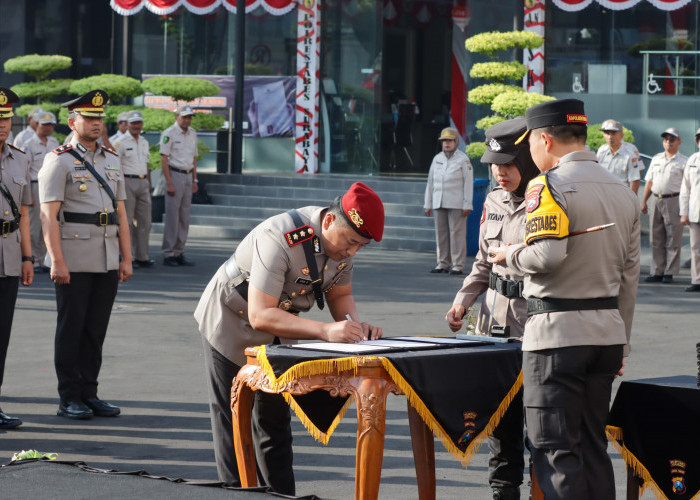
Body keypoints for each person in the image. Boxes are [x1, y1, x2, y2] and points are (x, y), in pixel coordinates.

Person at [489, 99, 640, 499]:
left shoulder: (547, 185)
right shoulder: (622, 190)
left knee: (556, 452)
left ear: (543, 139)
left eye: (531, 146)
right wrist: (621, 338)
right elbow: (629, 276)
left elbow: (547, 256)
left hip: (556, 338)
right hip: (606, 335)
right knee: (592, 448)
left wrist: (510, 253)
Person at [194, 182, 384, 495]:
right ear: (328, 222)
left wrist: (354, 326)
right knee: (234, 418)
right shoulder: (280, 238)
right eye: (351, 242)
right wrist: (325, 332)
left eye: (360, 247)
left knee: (274, 419)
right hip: (231, 318)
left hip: (281, 326)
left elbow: (341, 293)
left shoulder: (341, 245)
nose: (352, 252)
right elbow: (259, 315)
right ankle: (235, 492)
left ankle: (281, 494)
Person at [445, 117, 540, 500]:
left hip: (534, 327)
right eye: (496, 166)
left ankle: (541, 491)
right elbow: (483, 264)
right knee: (500, 423)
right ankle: (503, 493)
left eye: (509, 165)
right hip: (495, 327)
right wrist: (461, 301)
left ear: (528, 162)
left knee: (538, 426)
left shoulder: (545, 200)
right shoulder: (494, 200)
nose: (500, 173)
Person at [38, 89, 132, 420]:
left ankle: (90, 392)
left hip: (106, 254)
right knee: (72, 327)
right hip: (73, 255)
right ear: (72, 121)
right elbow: (48, 216)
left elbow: (121, 212)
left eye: (99, 118)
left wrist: (127, 257)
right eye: (89, 118)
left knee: (95, 330)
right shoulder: (58, 160)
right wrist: (57, 260)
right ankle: (69, 397)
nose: (96, 123)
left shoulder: (111, 158)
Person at [0, 88, 34, 429]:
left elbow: (23, 211)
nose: (2, 124)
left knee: (2, 335)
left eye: (6, 118)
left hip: (9, 255)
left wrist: (27, 256)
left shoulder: (21, 158)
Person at [424, 127, 473, 275]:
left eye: (450, 140)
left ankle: (457, 265)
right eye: (444, 140)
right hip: (439, 201)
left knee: (457, 234)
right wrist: (428, 204)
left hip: (457, 203)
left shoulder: (463, 159)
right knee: (441, 234)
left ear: (456, 141)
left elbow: (468, 183)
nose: (447, 143)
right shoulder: (437, 158)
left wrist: (467, 204)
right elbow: (430, 183)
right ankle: (443, 263)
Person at [641, 127, 687, 283]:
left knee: (673, 238)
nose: (669, 142)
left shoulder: (684, 162)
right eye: (666, 139)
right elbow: (649, 182)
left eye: (672, 139)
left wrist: (685, 207)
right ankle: (657, 271)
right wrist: (644, 201)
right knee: (656, 238)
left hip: (674, 200)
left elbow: (688, 186)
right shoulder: (656, 158)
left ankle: (669, 272)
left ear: (679, 142)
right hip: (656, 199)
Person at [113, 111, 154, 268]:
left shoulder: (144, 141)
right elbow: (114, 166)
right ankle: (128, 257)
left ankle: (142, 256)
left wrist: (148, 183)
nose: (137, 126)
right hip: (127, 182)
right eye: (133, 123)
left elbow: (147, 165)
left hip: (143, 182)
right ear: (127, 124)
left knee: (145, 221)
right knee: (127, 221)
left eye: (139, 123)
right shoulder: (120, 142)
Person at [160, 105, 198, 267]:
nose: (187, 120)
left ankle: (179, 251)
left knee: (184, 216)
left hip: (188, 175)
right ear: (177, 117)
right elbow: (164, 159)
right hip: (174, 175)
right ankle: (169, 253)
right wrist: (168, 182)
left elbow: (194, 158)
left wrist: (195, 180)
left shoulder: (193, 133)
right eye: (184, 117)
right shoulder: (168, 134)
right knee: (172, 216)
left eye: (189, 117)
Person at [25, 111, 60, 273]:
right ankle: (33, 259)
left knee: (51, 223)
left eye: (50, 125)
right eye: (44, 125)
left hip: (53, 186)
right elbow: (24, 170)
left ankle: (45, 258)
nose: (47, 128)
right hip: (35, 186)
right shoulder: (29, 144)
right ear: (36, 125)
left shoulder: (55, 143)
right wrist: (28, 195)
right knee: (34, 226)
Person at [596, 119, 644, 194]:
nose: (610, 137)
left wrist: (632, 199)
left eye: (613, 133)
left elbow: (636, 177)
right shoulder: (601, 150)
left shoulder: (631, 151)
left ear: (621, 135)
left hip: (621, 195)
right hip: (603, 194)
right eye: (607, 133)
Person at [681, 127, 700, 293]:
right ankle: (697, 280)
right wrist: (683, 212)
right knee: (696, 248)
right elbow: (685, 188)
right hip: (695, 212)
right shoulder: (692, 159)